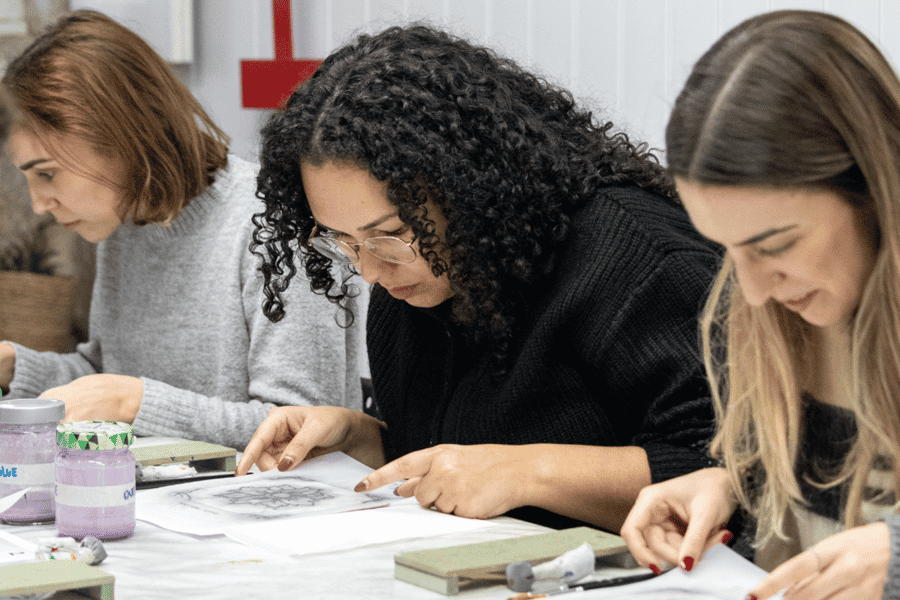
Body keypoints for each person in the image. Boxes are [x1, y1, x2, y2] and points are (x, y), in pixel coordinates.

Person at [236, 23, 721, 532]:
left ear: (468, 189)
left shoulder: (636, 258)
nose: (371, 271)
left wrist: (531, 473)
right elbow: (459, 460)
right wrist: (357, 439)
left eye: (390, 233)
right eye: (342, 240)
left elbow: (733, 475)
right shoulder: (412, 284)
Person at [619, 9, 900, 600]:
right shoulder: (754, 316)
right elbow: (809, 527)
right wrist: (729, 490)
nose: (750, 290)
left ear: (874, 190)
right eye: (727, 250)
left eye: (776, 245)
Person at [0, 10, 363, 450]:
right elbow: (106, 378)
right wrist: (14, 367)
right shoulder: (126, 225)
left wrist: (134, 403)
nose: (39, 204)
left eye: (48, 174)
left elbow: (303, 427)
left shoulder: (277, 223)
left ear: (117, 136)